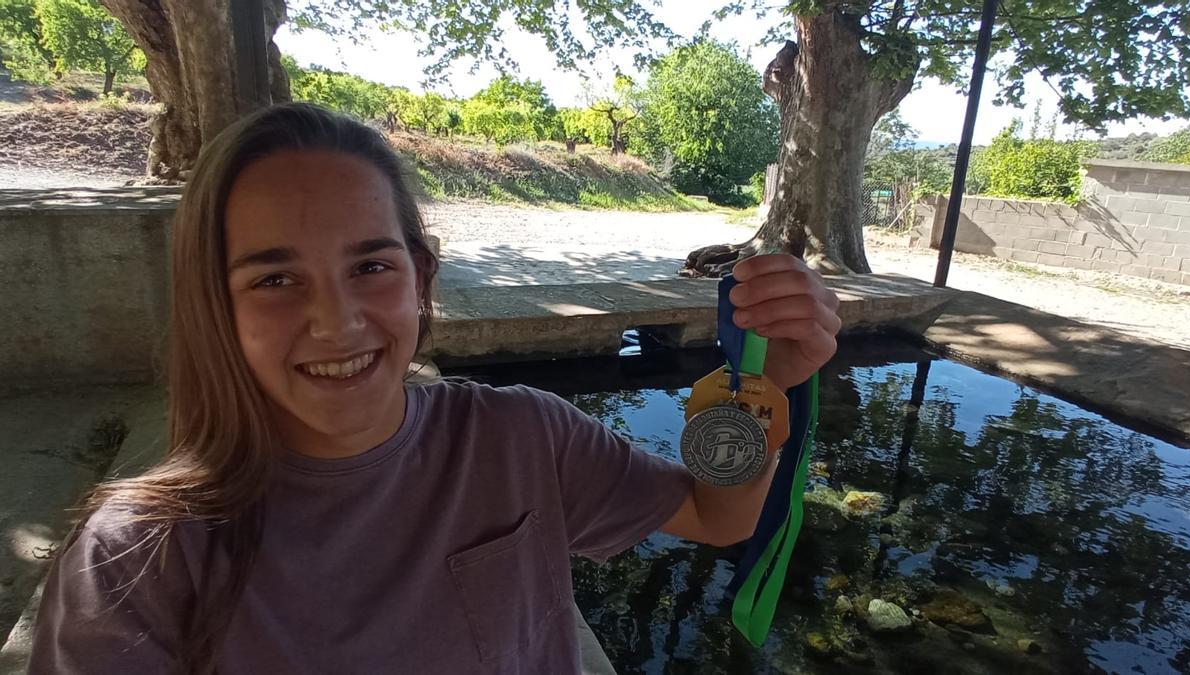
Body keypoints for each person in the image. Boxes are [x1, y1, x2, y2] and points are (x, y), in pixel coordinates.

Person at [28, 103, 841, 674]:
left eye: (370, 266)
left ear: (420, 278)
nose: (336, 321)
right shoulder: (134, 558)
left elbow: (713, 513)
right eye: (276, 278)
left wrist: (760, 385)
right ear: (216, 301)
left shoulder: (524, 435)